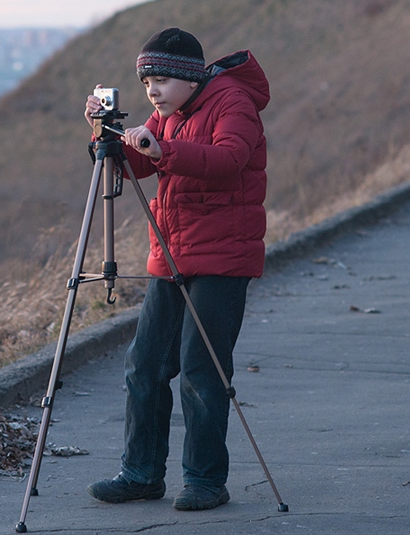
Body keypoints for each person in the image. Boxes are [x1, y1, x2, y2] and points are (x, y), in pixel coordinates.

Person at [83, 27, 270, 511]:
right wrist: (107, 136)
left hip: (223, 257)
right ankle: (140, 473)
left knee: (200, 370)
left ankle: (205, 481)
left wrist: (161, 150)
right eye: (147, 83)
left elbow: (229, 160)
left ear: (190, 78)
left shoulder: (233, 103)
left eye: (161, 81)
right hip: (172, 254)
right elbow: (142, 164)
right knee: (144, 365)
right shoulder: (170, 112)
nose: (153, 92)